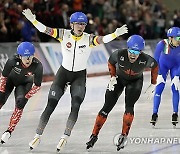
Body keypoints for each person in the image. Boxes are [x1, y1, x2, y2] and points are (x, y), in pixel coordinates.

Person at [22, 8, 128, 152]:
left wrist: (115, 34)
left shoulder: (88, 39)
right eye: (78, 24)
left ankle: (65, 136)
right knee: (51, 104)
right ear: (71, 24)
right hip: (63, 73)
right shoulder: (63, 34)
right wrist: (33, 20)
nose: (80, 27)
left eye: (83, 24)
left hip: (79, 76)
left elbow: (103, 39)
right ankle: (37, 135)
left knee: (75, 105)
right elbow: (44, 30)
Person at [86, 35, 158, 151]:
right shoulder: (119, 54)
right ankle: (94, 135)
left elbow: (155, 67)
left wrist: (153, 83)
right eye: (131, 51)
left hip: (135, 82)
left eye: (136, 51)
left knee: (129, 107)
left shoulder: (146, 59)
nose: (133, 54)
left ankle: (124, 135)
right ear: (127, 48)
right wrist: (113, 77)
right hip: (119, 79)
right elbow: (110, 62)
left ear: (141, 52)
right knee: (107, 107)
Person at [0, 42, 43, 144]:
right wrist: (1, 90)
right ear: (20, 56)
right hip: (10, 80)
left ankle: (9, 131)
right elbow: (4, 77)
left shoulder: (38, 66)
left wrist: (27, 97)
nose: (28, 60)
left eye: (30, 56)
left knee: (20, 103)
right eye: (25, 57)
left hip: (24, 84)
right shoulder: (12, 61)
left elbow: (37, 86)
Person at [149, 27, 180, 127]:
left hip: (176, 66)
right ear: (170, 38)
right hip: (163, 66)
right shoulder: (162, 44)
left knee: (175, 87)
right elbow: (155, 61)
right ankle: (154, 113)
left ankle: (175, 113)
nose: (179, 41)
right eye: (178, 38)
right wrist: (157, 75)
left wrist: (178, 75)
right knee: (159, 88)